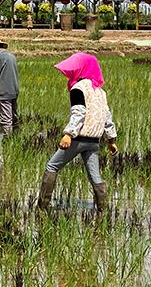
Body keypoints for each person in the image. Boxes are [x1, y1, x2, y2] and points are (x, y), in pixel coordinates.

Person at [38, 52, 118, 212]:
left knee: (52, 166)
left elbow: (79, 113)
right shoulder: (100, 92)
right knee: (95, 176)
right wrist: (111, 140)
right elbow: (107, 116)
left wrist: (69, 134)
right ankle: (103, 212)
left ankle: (41, 208)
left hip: (78, 139)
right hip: (94, 142)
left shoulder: (78, 89)